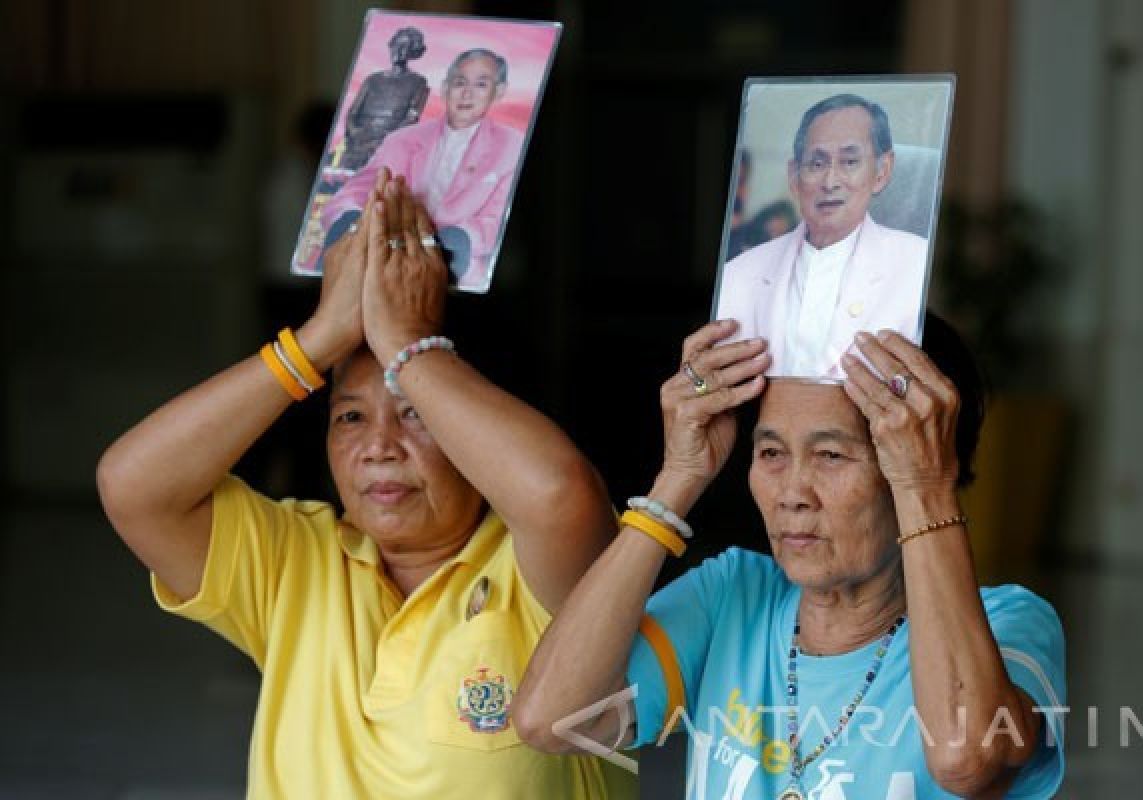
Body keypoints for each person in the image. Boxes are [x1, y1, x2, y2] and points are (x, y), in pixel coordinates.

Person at [97, 170, 637, 799]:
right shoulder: (296, 563)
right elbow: (132, 486)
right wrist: (319, 340)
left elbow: (558, 494)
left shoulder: (536, 571)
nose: (379, 447)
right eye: (350, 417)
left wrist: (408, 344)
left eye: (416, 414)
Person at [514, 316, 1066, 799]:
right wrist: (677, 479)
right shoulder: (733, 596)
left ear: (916, 459)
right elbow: (550, 720)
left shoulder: (1007, 625)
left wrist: (924, 485)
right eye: (772, 452)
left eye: (830, 454)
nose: (792, 492)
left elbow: (965, 761)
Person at [715, 94, 930, 380]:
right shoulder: (738, 274)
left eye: (850, 162)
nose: (830, 182)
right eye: (816, 164)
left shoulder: (918, 263)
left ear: (882, 171)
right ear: (794, 175)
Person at [322, 48, 523, 290]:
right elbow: (355, 192)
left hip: (459, 277)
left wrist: (460, 239)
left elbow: (495, 218)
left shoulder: (511, 146)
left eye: (481, 84)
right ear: (445, 87)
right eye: (459, 82)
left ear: (498, 92)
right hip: (385, 269)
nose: (466, 93)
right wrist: (349, 217)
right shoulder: (402, 139)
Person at [340, 26, 431, 171]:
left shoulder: (418, 82)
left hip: (386, 145)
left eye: (405, 47)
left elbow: (411, 118)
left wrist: (384, 139)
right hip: (359, 143)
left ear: (413, 51)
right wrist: (356, 132)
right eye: (397, 45)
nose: (399, 51)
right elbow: (353, 112)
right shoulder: (372, 80)